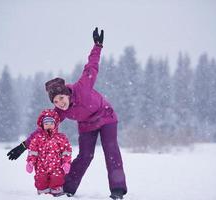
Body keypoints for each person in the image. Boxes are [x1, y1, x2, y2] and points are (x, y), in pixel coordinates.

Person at [7, 27, 127, 200]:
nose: (60, 104)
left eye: (61, 98)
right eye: (55, 101)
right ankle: (68, 188)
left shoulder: (82, 87)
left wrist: (97, 46)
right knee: (85, 155)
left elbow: (91, 66)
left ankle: (118, 189)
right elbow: (43, 129)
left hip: (106, 117)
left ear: (67, 93)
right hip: (86, 125)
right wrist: (24, 146)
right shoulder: (60, 112)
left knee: (111, 149)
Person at [25, 109, 72, 196]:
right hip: (41, 166)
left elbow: (66, 151)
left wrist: (66, 162)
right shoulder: (37, 138)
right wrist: (30, 162)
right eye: (46, 124)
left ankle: (56, 192)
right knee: (41, 179)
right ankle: (43, 193)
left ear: (55, 125)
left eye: (51, 123)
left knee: (57, 178)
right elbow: (33, 152)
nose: (49, 125)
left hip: (57, 166)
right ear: (42, 125)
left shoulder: (61, 138)